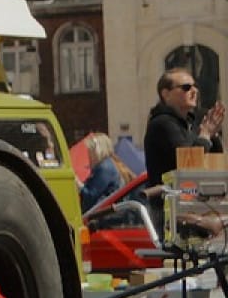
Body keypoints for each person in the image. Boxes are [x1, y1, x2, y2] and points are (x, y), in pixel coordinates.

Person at [142, 67, 224, 236]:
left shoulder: (191, 123)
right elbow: (188, 165)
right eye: (186, 87)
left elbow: (212, 160)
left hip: (197, 206)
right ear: (166, 94)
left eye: (195, 86)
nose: (194, 91)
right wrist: (205, 135)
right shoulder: (162, 124)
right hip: (172, 212)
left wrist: (213, 137)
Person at [77, 132, 131, 213]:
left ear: (98, 150)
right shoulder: (108, 165)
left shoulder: (104, 168)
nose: (89, 155)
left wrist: (77, 184)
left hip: (105, 217)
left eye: (90, 151)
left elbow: (91, 196)